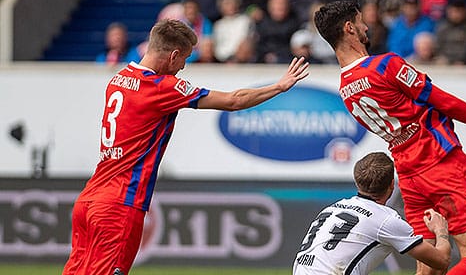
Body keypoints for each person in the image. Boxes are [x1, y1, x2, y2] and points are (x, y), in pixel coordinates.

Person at [63, 19, 309, 275]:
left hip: (89, 200)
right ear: (173, 55)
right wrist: (279, 86)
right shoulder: (160, 87)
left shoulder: (119, 78)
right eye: (184, 59)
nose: (182, 67)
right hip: (120, 203)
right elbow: (233, 101)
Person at [314, 0, 466, 275]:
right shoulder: (385, 65)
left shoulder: (345, 90)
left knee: (429, 269)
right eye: (361, 21)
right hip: (441, 167)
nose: (366, 26)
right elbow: (442, 101)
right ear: (349, 28)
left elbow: (408, 130)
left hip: (410, 176)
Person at [293, 152, 453, 275]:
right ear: (392, 185)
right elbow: (441, 261)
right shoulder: (386, 220)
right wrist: (441, 231)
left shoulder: (333, 208)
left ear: (357, 181)